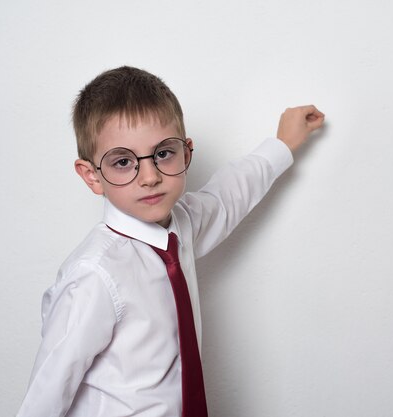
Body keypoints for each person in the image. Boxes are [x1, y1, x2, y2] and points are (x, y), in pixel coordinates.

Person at [17, 65, 325, 417]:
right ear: (92, 176)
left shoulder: (182, 226)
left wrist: (282, 143)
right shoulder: (94, 275)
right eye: (122, 161)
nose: (150, 177)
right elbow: (49, 391)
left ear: (187, 153)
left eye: (163, 153)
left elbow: (228, 194)